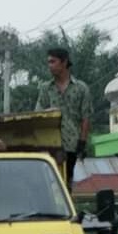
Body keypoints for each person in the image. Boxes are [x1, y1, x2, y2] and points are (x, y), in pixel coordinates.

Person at [35, 48, 92, 190]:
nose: (50, 65)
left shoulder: (81, 88)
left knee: (66, 184)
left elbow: (86, 116)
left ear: (64, 62)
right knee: (47, 184)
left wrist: (82, 143)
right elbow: (38, 113)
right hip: (49, 144)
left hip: (71, 144)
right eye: (48, 62)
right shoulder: (45, 88)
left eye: (53, 62)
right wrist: (48, 112)